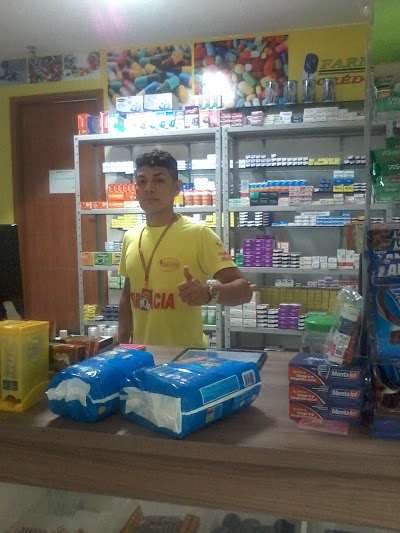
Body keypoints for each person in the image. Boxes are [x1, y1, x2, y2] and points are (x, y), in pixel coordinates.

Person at [118, 149, 254, 347]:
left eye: (159, 180)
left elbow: (244, 291)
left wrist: (209, 293)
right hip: (140, 355)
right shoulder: (130, 237)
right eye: (142, 181)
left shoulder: (199, 234)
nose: (149, 188)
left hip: (186, 357)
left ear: (176, 187)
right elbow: (127, 295)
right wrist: (122, 343)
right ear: (136, 189)